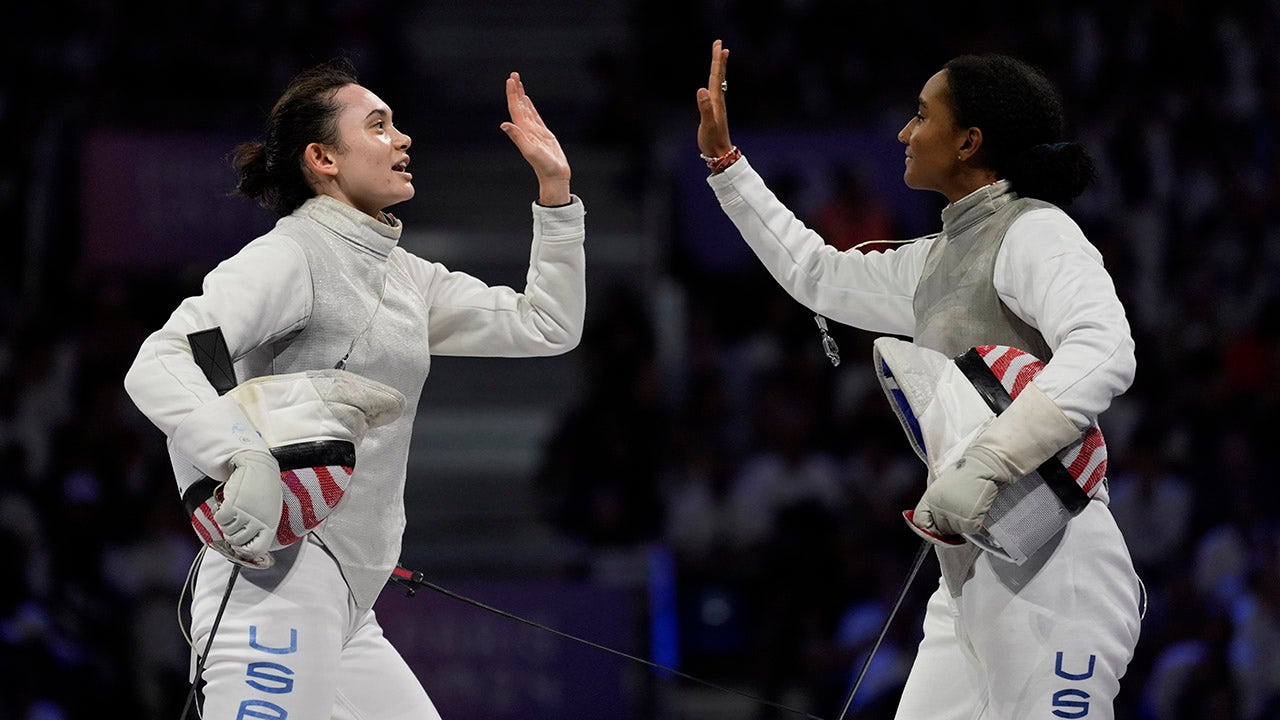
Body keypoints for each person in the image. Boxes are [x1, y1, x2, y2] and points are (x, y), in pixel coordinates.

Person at [123, 57, 585, 718]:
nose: (402, 139)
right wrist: (238, 454)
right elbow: (163, 357)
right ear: (323, 158)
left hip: (346, 603)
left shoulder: (407, 277)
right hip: (273, 584)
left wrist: (556, 190)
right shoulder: (290, 257)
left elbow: (547, 324)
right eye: (378, 126)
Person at [695, 40, 1143, 718]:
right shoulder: (935, 261)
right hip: (970, 575)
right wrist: (726, 165)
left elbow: (1105, 348)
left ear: (968, 141)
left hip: (1058, 563)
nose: (904, 132)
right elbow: (816, 274)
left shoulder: (1035, 232)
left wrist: (992, 460)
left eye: (921, 115)